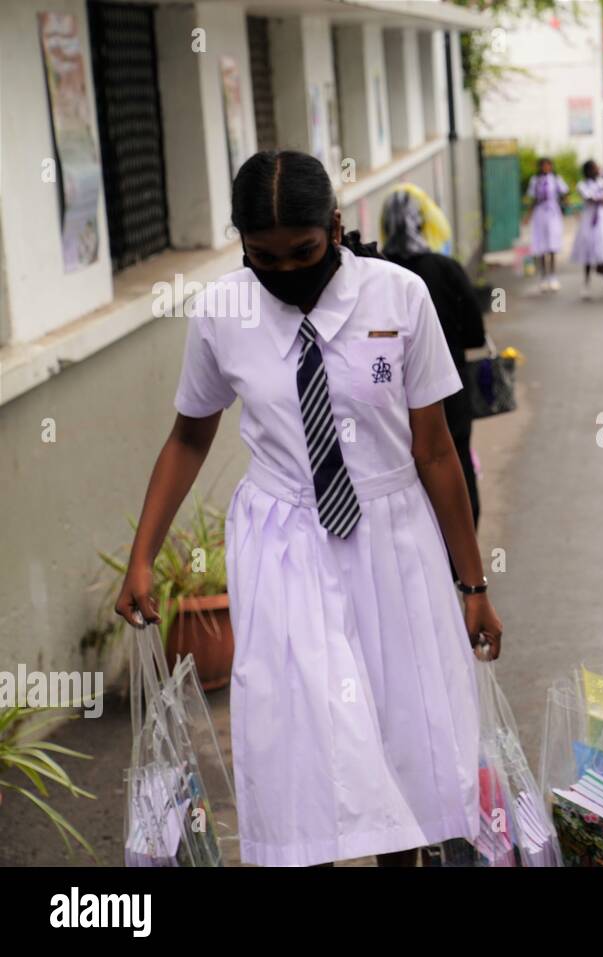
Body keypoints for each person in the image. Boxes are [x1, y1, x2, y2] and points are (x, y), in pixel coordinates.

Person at [114, 150, 504, 867]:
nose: (287, 271)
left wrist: (473, 585)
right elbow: (189, 436)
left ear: (335, 225)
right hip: (282, 539)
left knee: (405, 735)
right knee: (299, 746)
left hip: (392, 533)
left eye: (304, 251)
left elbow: (437, 450)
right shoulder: (224, 311)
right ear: (241, 246)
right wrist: (141, 557)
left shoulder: (399, 296)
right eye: (263, 255)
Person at [380, 187, 487, 526]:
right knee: (455, 463)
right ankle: (462, 564)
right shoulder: (447, 269)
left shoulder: (374, 275)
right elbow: (475, 336)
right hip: (449, 392)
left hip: (389, 399)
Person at [570, 159, 603, 301]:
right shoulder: (582, 185)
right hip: (589, 220)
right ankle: (586, 285)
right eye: (594, 168)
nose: (598, 170)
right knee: (588, 251)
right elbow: (592, 199)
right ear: (587, 171)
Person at [524, 156, 568, 293]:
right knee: (542, 245)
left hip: (553, 213)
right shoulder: (535, 180)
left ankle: (553, 276)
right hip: (540, 214)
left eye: (548, 165)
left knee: (552, 245)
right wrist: (528, 215)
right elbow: (533, 199)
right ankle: (543, 276)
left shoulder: (556, 179)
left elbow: (565, 193)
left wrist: (566, 205)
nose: (546, 168)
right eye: (543, 165)